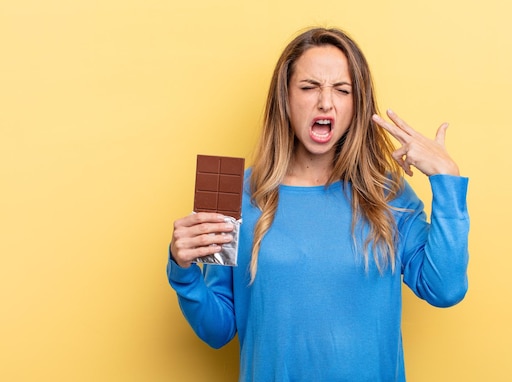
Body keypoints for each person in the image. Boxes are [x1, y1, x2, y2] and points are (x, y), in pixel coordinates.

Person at [167, 27, 469, 382]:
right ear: (285, 97)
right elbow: (217, 331)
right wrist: (182, 269)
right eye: (309, 87)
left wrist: (446, 180)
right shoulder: (231, 191)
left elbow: (445, 288)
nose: (325, 102)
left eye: (342, 90)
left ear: (356, 105)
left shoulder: (385, 192)